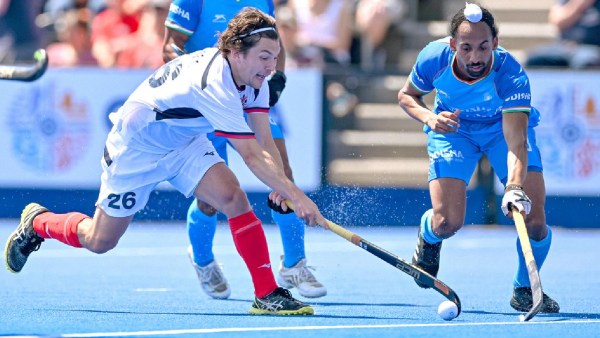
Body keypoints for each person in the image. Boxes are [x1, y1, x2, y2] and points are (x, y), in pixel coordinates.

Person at [4, 7, 323, 316]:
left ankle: (266, 294)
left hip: (183, 141)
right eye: (264, 57)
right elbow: (252, 155)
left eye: (275, 57)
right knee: (100, 240)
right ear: (237, 52)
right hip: (138, 146)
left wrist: (286, 188)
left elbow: (265, 143)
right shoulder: (215, 83)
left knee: (233, 198)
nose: (271, 66)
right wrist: (296, 196)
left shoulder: (254, 80)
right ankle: (38, 222)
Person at [397, 3, 560, 314]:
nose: (475, 57)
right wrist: (429, 118)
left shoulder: (509, 73)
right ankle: (429, 233)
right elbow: (407, 95)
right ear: (453, 45)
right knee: (448, 222)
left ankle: (524, 289)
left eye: (484, 47)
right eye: (466, 47)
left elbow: (516, 140)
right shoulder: (434, 58)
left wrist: (513, 186)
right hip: (453, 128)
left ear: (495, 43)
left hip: (501, 130)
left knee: (535, 222)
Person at [162, 1, 326, 300]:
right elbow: (171, 46)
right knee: (212, 199)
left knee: (282, 174)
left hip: (247, 97)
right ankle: (202, 259)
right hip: (207, 105)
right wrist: (202, 77)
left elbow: (272, 40)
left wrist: (277, 77)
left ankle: (294, 264)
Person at [526, 0, 600, 69]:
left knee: (586, 61)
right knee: (535, 59)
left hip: (592, 48)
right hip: (564, 47)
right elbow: (559, 22)